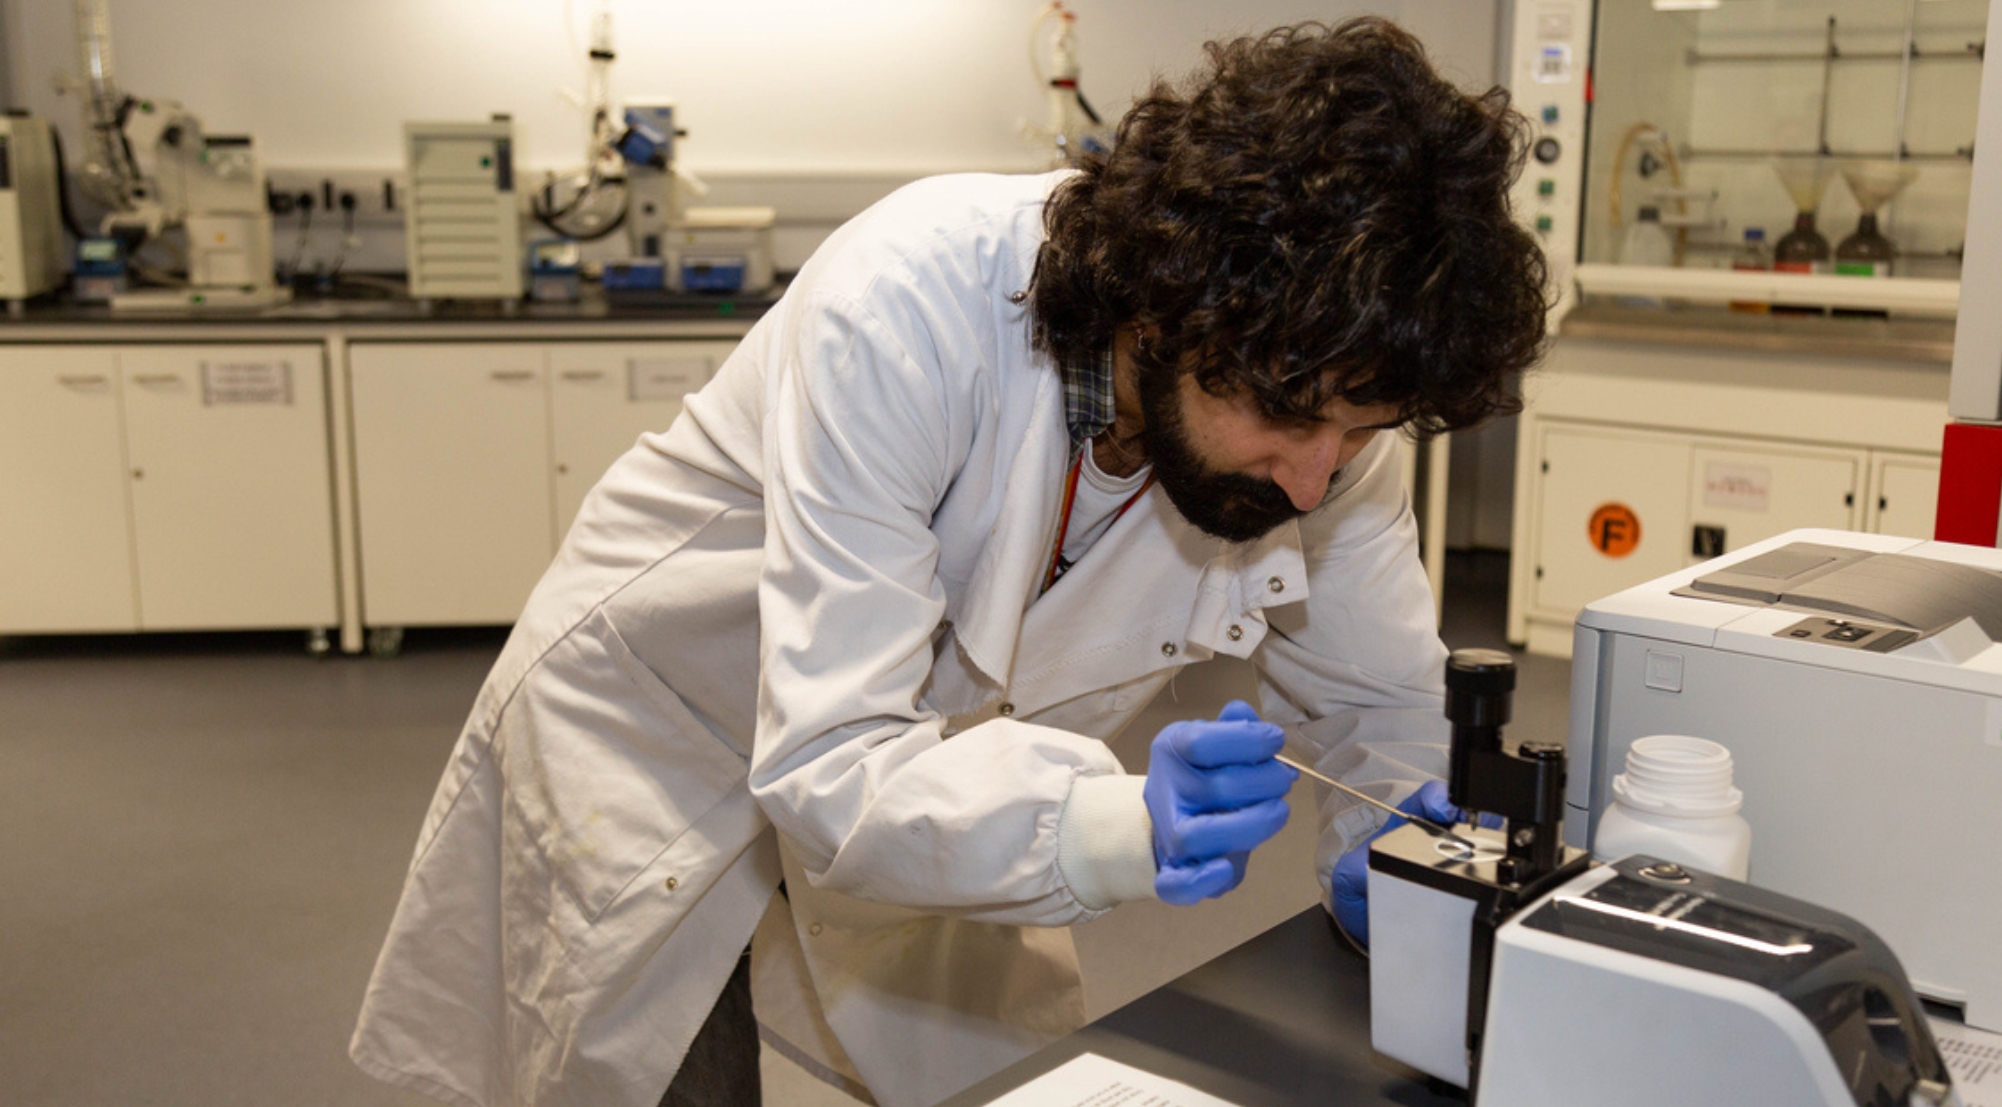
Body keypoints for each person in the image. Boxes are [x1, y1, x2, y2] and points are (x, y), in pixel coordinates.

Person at [350, 17, 1546, 1107]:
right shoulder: (909, 303)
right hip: (666, 733)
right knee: (659, 1081)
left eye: (1361, 432)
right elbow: (828, 758)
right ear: (1169, 309)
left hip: (926, 754)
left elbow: (1381, 696)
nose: (1313, 480)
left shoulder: (1320, 399)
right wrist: (1122, 826)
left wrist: (1400, 857)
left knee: (1005, 1084)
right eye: (1293, 421)